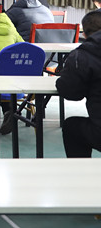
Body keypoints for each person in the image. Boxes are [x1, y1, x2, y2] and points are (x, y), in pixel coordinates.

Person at [56, 11, 101, 158]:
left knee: (71, 128)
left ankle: (81, 171)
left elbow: (71, 93)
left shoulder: (82, 55)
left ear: (85, 35)